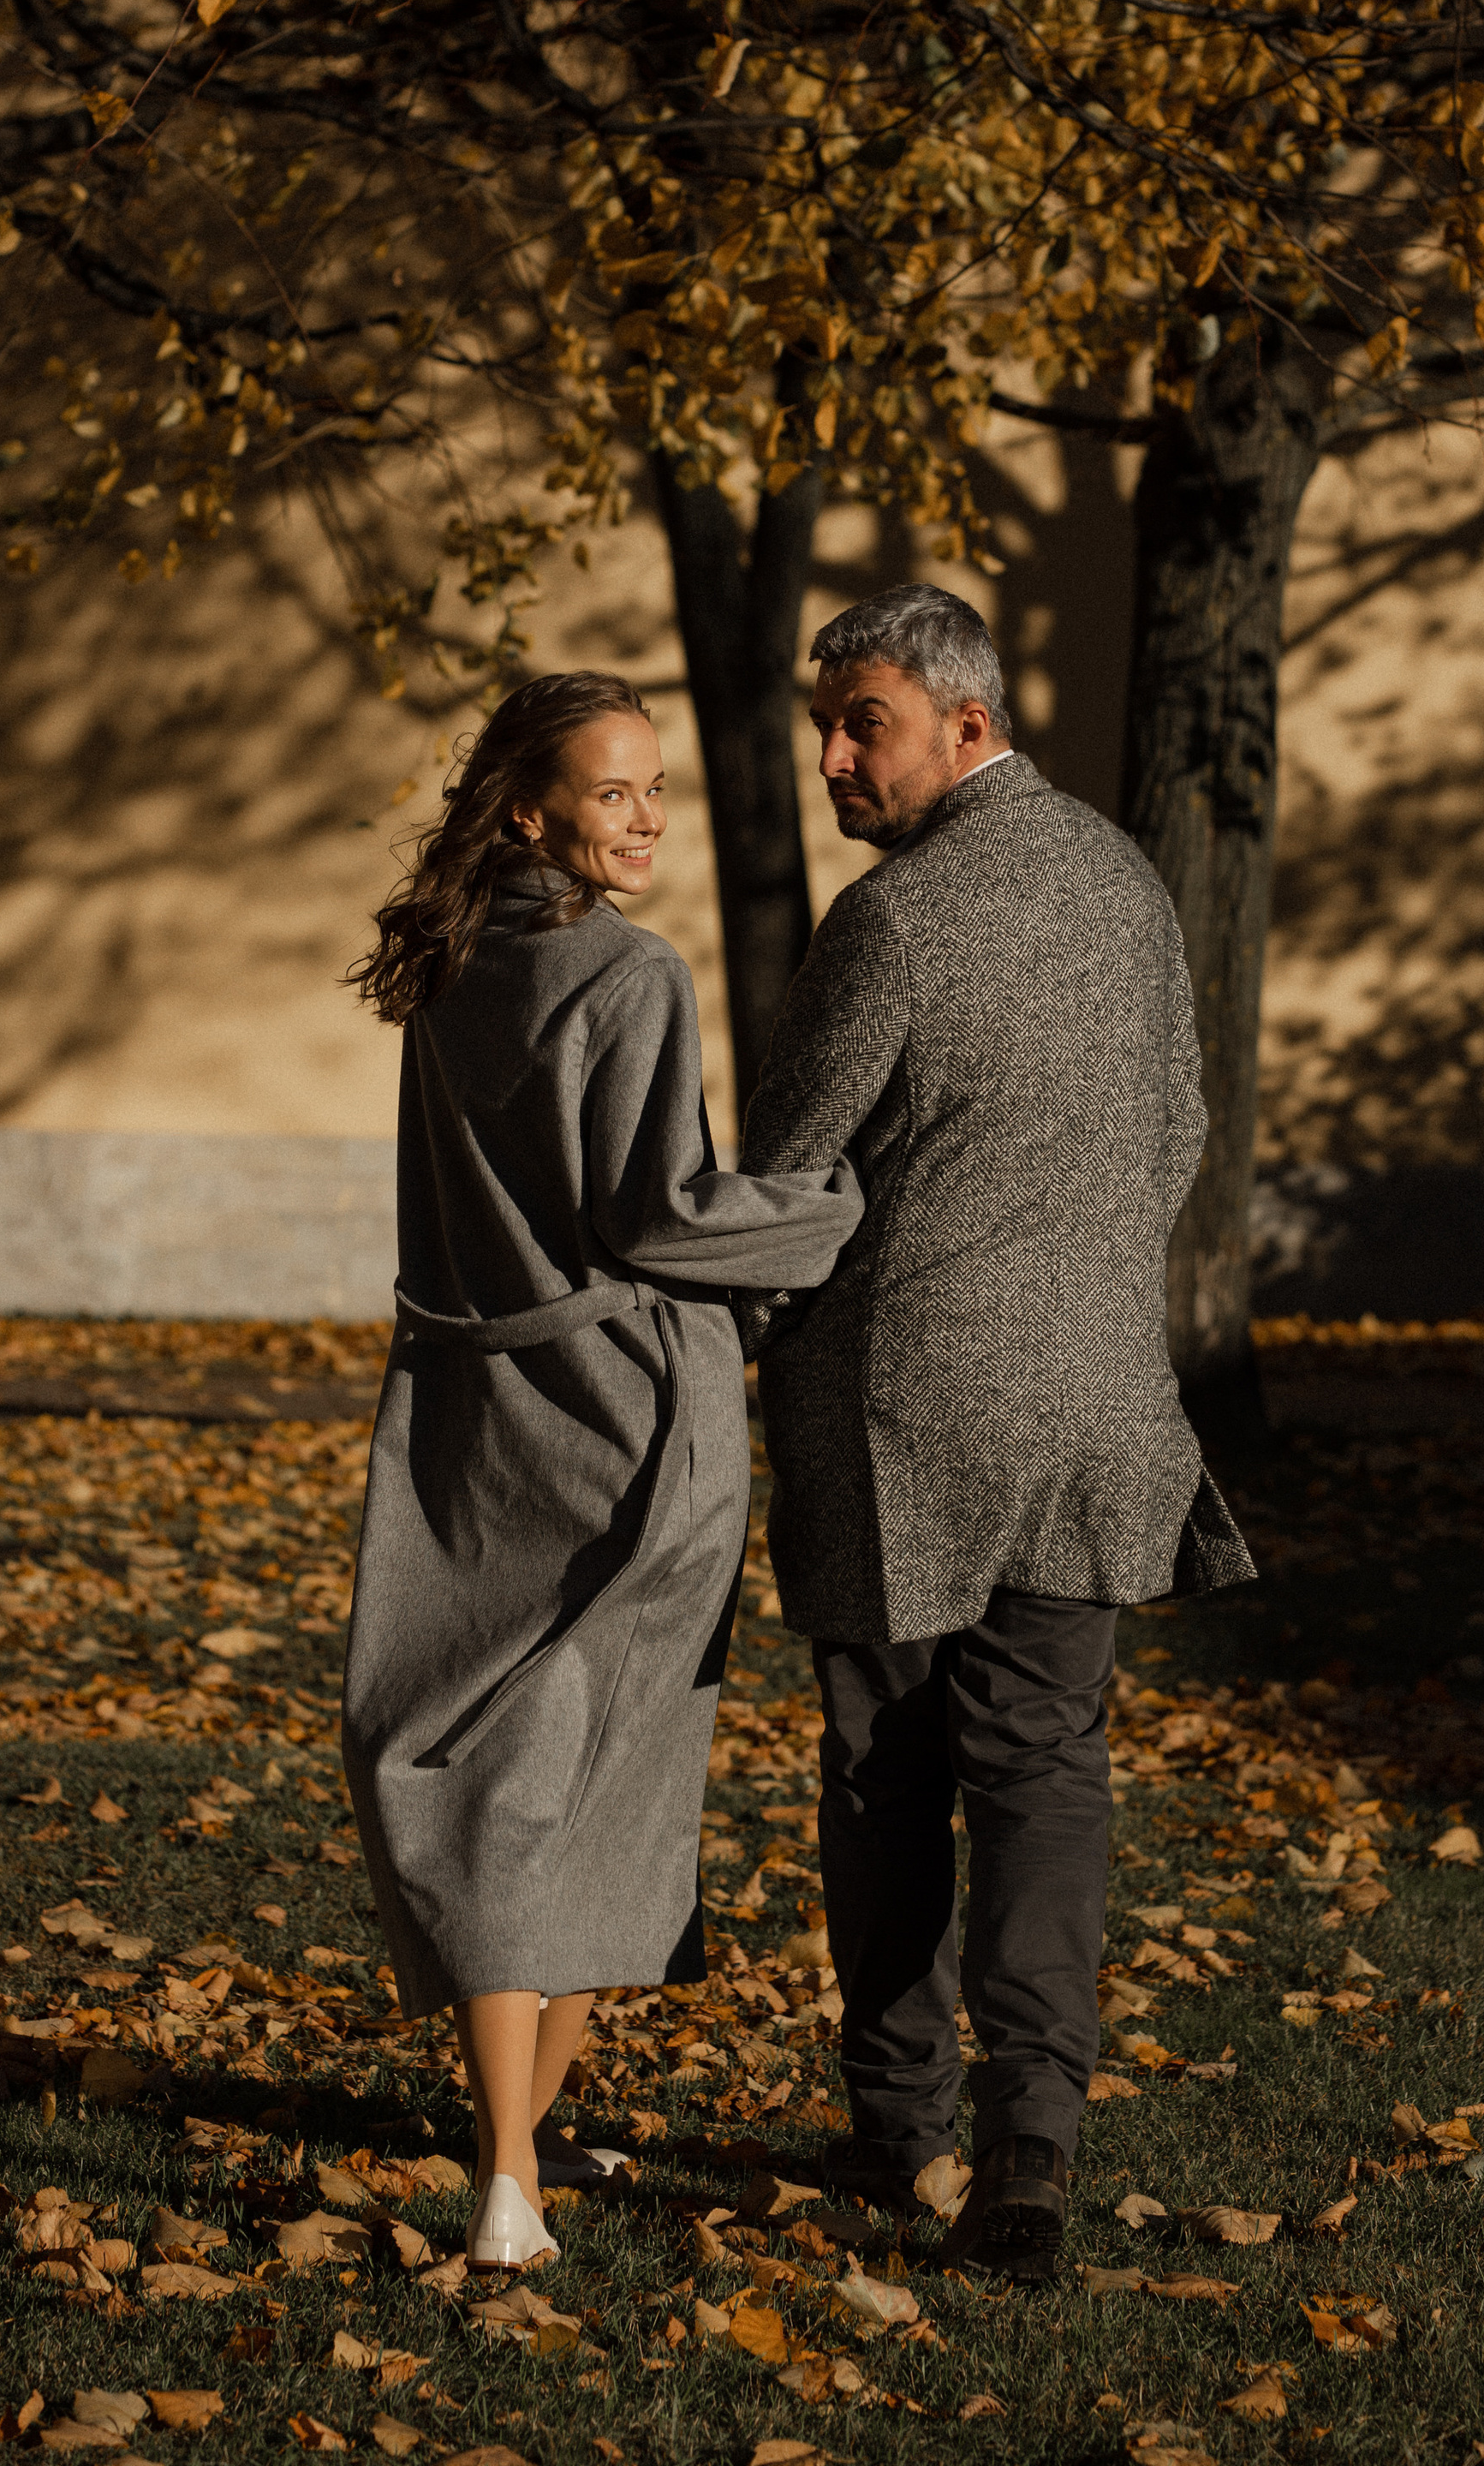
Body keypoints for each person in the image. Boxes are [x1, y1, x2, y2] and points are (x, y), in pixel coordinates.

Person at [734, 584, 1255, 2278]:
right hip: (1097, 1401)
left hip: (900, 1416)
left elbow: (784, 1177)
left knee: (888, 1776)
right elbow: (1178, 1129)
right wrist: (1071, 1274)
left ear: (966, 724)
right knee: (1043, 1769)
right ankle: (1034, 2141)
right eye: (824, 726)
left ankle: (903, 2131)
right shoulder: (1126, 883)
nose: (831, 758)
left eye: (861, 724)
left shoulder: (892, 920)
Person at [341, 671, 863, 2277]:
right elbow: (659, 1217)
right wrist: (832, 1210)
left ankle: (519, 2154)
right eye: (614, 791)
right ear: (531, 812)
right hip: (624, 1419)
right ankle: (510, 2169)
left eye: (655, 790)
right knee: (605, 1779)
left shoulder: (450, 960)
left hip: (467, 1410)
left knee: (477, 1767)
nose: (645, 820)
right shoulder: (629, 973)